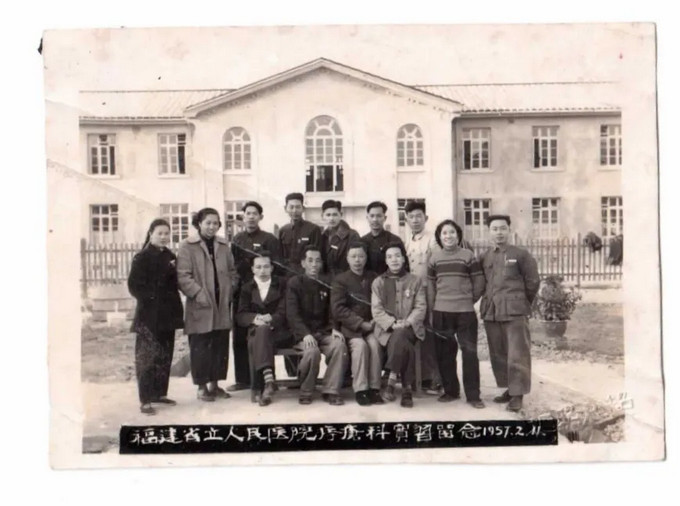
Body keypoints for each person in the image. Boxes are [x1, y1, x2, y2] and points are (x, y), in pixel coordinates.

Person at [480, 214, 540, 412]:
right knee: (498, 353)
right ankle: (509, 388)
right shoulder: (486, 256)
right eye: (495, 229)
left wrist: (521, 302)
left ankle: (517, 395)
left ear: (509, 230)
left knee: (517, 353)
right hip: (492, 311)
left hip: (514, 311)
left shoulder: (521, 255)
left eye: (503, 228)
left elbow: (533, 282)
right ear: (489, 232)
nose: (499, 233)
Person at [177, 208, 238, 402]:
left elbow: (233, 271)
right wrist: (197, 293)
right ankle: (202, 386)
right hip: (200, 303)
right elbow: (183, 276)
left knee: (219, 344)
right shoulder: (187, 246)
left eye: (215, 223)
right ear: (199, 224)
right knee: (201, 345)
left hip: (221, 302)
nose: (212, 227)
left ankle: (215, 384)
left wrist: (230, 289)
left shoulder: (224, 245)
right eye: (208, 223)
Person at [127, 219, 184, 415]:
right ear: (151, 233)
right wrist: (153, 297)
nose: (164, 237)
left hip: (168, 315)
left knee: (164, 355)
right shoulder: (142, 257)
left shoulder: (170, 255)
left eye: (167, 233)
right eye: (160, 233)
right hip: (149, 315)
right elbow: (134, 286)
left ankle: (159, 393)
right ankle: (145, 399)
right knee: (147, 357)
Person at [427, 219, 486, 409]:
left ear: (458, 235)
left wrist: (469, 300)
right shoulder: (434, 258)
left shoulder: (468, 256)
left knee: (469, 354)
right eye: (444, 233)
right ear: (439, 237)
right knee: (445, 354)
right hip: (441, 312)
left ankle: (473, 396)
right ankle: (451, 391)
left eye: (452, 232)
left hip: (465, 312)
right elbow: (431, 286)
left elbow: (479, 282)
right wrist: (433, 308)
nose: (448, 236)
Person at [229, 201, 282, 392]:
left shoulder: (269, 239)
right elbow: (233, 266)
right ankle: (243, 379)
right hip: (243, 290)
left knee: (266, 331)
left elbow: (277, 266)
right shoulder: (237, 239)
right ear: (243, 217)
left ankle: (268, 378)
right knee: (240, 334)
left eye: (254, 214)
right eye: (247, 213)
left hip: (265, 290)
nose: (251, 217)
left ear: (261, 217)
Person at [286, 246, 349, 405]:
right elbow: (292, 313)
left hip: (323, 332)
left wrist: (334, 328)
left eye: (318, 261)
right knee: (312, 351)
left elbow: (332, 310)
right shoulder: (294, 283)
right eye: (310, 260)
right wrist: (305, 334)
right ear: (303, 263)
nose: (314, 264)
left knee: (339, 346)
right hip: (303, 335)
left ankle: (330, 390)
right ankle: (306, 390)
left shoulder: (327, 283)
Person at [371, 242, 427, 408]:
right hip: (387, 330)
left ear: (403, 258)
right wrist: (392, 323)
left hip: (411, 328)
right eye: (389, 257)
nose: (394, 260)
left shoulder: (415, 281)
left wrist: (408, 321)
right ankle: (406, 389)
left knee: (402, 335)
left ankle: (392, 377)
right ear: (386, 261)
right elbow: (376, 310)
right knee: (402, 341)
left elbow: (420, 306)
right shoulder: (379, 282)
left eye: (397, 256)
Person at [331, 241, 383, 406]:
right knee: (360, 347)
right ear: (347, 259)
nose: (357, 260)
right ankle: (361, 390)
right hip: (351, 329)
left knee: (375, 345)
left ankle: (374, 388)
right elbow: (338, 309)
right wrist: (360, 323)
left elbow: (381, 302)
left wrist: (375, 320)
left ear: (366, 258)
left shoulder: (374, 277)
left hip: (372, 325)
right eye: (353, 256)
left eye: (361, 256)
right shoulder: (340, 280)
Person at [235, 252, 290, 407]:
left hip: (280, 332)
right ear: (252, 269)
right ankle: (268, 381)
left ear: (272, 268)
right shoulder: (247, 288)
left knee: (262, 333)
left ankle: (264, 384)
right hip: (257, 331)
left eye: (266, 266)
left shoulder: (282, 285)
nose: (262, 271)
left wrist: (271, 318)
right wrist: (255, 318)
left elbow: (285, 310)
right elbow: (241, 315)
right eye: (258, 267)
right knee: (261, 331)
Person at [403, 200, 441, 395]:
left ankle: (435, 379)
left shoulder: (432, 240)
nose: (415, 220)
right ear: (406, 220)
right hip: (412, 293)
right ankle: (422, 377)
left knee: (431, 333)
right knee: (417, 332)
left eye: (419, 216)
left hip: (429, 291)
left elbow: (436, 268)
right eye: (411, 217)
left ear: (425, 218)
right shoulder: (407, 240)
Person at [279, 192, 323, 275]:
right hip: (287, 273)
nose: (294, 210)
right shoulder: (283, 230)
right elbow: (281, 256)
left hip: (306, 274)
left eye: (298, 207)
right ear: (285, 208)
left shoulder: (313, 229)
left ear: (303, 208)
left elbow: (317, 256)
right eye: (291, 207)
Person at [360, 201, 404, 275]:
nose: (375, 219)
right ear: (367, 218)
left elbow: (403, 266)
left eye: (379, 216)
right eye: (372, 216)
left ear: (385, 218)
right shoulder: (362, 241)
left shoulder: (394, 240)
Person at [321, 199, 361, 276]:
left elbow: (355, 262)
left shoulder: (352, 235)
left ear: (341, 215)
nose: (331, 218)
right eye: (328, 215)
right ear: (322, 216)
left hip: (345, 278)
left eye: (335, 215)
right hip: (325, 279)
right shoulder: (322, 236)